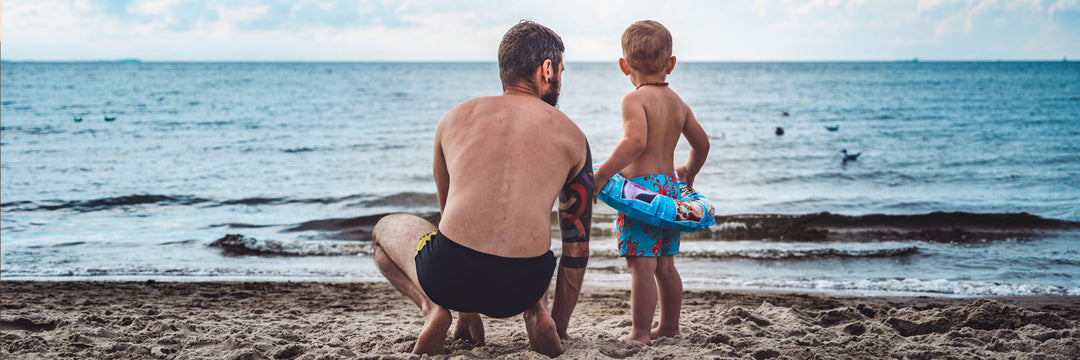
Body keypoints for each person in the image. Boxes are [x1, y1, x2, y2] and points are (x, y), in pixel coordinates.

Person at [371, 20, 593, 357]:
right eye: (561, 71)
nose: (560, 80)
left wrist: (465, 308)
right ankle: (539, 314)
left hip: (450, 275)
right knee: (535, 238)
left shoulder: (453, 118)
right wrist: (560, 327)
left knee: (383, 231)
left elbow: (450, 218)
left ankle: (435, 310)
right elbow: (576, 247)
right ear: (547, 70)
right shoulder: (574, 137)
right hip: (524, 285)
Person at [593, 20, 710, 345]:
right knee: (665, 265)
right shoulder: (678, 103)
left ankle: (641, 333)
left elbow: (635, 143)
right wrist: (688, 172)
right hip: (670, 192)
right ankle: (670, 327)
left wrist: (601, 175)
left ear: (623, 66)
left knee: (641, 266)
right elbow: (702, 145)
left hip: (641, 195)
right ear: (670, 64)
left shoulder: (634, 100)